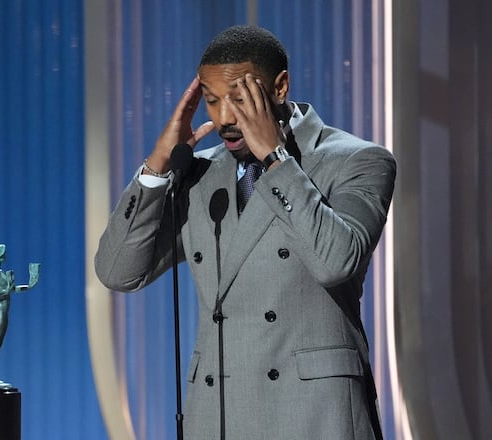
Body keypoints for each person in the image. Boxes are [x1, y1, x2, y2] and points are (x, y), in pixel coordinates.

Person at [95, 25, 395, 439]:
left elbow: (334, 262)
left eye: (238, 98)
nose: (223, 118)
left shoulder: (357, 160)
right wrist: (156, 168)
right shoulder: (199, 174)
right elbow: (117, 271)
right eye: (213, 101)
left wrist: (276, 160)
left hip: (315, 416)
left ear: (280, 87)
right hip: (218, 414)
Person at [0, 244, 40, 387]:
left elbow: (13, 289)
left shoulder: (1, 273)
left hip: (4, 309)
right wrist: (6, 290)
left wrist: (29, 285)